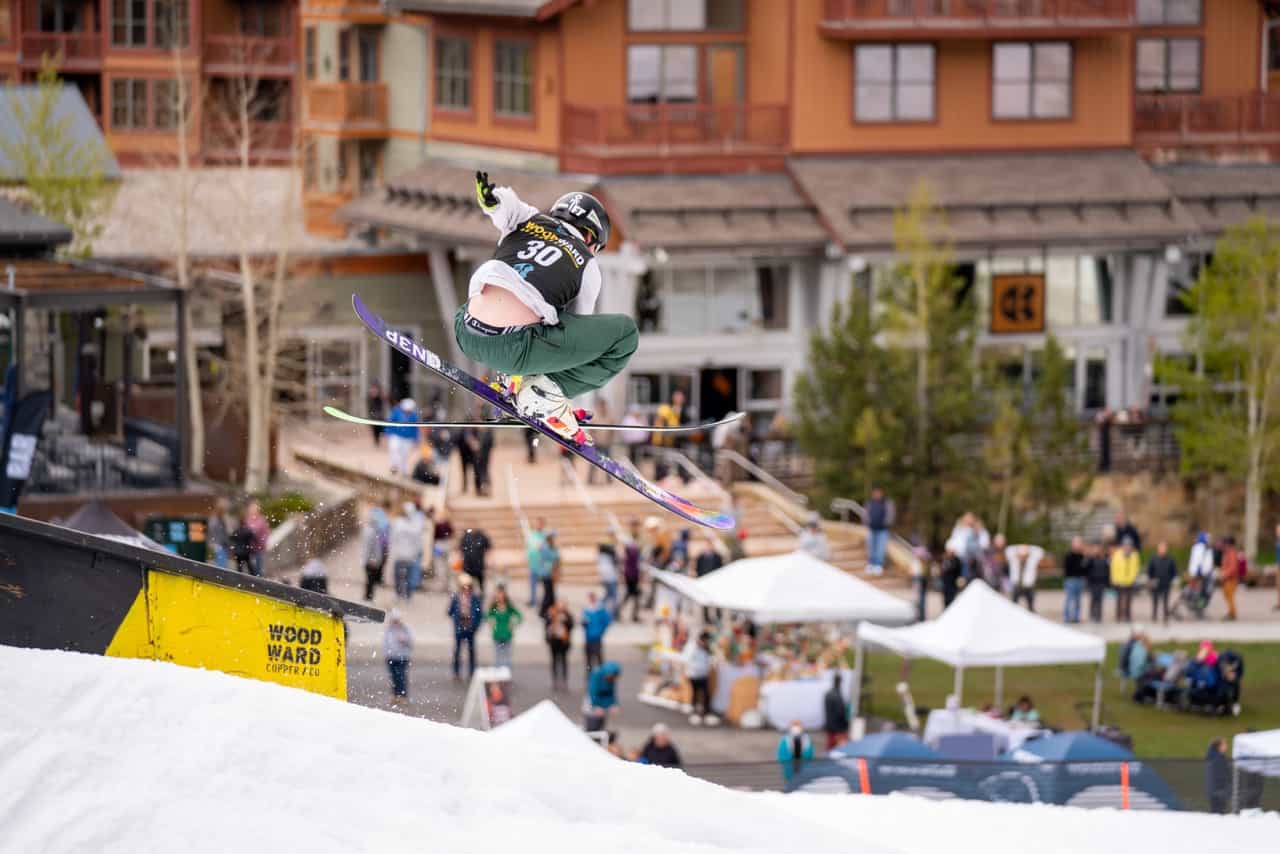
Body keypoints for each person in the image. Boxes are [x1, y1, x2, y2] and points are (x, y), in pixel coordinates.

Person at [456, 173, 631, 445]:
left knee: (518, 301)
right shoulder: (587, 264)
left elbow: (506, 206)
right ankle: (543, 393)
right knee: (625, 335)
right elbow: (573, 340)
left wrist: (492, 200)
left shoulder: (529, 219)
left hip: (465, 331)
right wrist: (559, 393)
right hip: (516, 348)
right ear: (590, 236)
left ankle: (524, 385)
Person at [447, 574, 483, 680]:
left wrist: (475, 625)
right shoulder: (456, 597)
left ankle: (472, 672)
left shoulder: (475, 598)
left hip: (470, 627)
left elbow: (480, 614)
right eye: (464, 587)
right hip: (460, 626)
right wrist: (457, 617)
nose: (466, 589)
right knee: (457, 650)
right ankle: (456, 672)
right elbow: (450, 612)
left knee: (471, 651)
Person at [389, 502, 424, 600]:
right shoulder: (399, 522)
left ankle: (406, 594)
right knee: (400, 576)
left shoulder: (415, 523)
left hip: (409, 556)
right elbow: (393, 538)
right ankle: (400, 594)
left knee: (407, 576)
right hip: (401, 555)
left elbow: (418, 541)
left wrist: (416, 552)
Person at [487, 584, 522, 672]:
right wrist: (491, 622)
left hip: (507, 634)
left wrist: (514, 623)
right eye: (498, 593)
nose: (500, 596)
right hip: (497, 634)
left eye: (501, 593)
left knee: (507, 658)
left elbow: (519, 616)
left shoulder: (509, 606)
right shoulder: (494, 606)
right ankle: (498, 676)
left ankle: (506, 676)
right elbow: (487, 615)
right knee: (497, 658)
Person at [543, 598, 574, 691]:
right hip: (554, 641)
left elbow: (571, 625)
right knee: (554, 661)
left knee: (564, 661)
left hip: (563, 641)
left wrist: (565, 618)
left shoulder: (567, 615)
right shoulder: (551, 614)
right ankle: (555, 680)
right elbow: (546, 625)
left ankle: (564, 680)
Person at [684, 630, 714, 726]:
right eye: (705, 641)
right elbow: (687, 659)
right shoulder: (692, 647)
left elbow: (708, 660)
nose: (705, 643)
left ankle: (706, 713)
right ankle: (695, 713)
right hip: (694, 675)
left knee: (706, 694)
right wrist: (689, 671)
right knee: (696, 693)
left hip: (703, 675)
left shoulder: (706, 649)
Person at [384, 609, 413, 705]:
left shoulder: (405, 629)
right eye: (394, 620)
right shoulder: (389, 630)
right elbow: (386, 643)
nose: (395, 622)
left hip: (402, 657)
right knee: (394, 677)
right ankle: (395, 695)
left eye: (396, 620)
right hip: (391, 657)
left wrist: (404, 640)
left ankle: (403, 696)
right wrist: (386, 654)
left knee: (401, 677)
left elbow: (411, 642)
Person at [385, 398, 421, 476]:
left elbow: (416, 428)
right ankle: (394, 465)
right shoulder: (396, 412)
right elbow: (390, 422)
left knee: (405, 455)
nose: (407, 412)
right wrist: (387, 432)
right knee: (394, 449)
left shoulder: (414, 416)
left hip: (408, 438)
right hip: (396, 435)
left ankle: (404, 470)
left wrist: (417, 439)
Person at [865, 487, 895, 577]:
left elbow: (891, 514)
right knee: (871, 547)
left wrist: (886, 523)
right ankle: (871, 563)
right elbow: (865, 513)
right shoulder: (869, 502)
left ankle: (878, 565)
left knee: (880, 548)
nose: (877, 495)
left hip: (882, 529)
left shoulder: (887, 502)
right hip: (872, 528)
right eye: (875, 493)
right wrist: (867, 522)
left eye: (878, 493)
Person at [1004, 543, 1044, 611]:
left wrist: (1028, 548)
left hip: (1028, 585)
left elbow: (1040, 551)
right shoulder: (1014, 559)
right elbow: (1008, 550)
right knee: (1014, 605)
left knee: (1030, 606)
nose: (1022, 556)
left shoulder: (1032, 560)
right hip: (1016, 585)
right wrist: (1018, 548)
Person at [582, 591, 612, 677]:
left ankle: (602, 675)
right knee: (588, 659)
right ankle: (589, 676)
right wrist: (584, 623)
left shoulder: (600, 609)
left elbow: (607, 621)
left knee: (599, 657)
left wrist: (600, 631)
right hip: (588, 637)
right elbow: (584, 623)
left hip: (597, 637)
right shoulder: (586, 609)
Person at [584, 660, 621, 731]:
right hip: (591, 703)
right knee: (592, 725)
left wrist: (613, 704)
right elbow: (592, 692)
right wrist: (595, 706)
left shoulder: (611, 679)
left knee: (601, 724)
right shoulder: (596, 675)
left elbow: (611, 693)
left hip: (602, 705)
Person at [360, 506, 387, 602]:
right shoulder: (370, 531)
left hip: (372, 559)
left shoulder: (373, 530)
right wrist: (369, 559)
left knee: (370, 580)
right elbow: (368, 547)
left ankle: (368, 597)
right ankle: (368, 597)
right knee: (370, 580)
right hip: (371, 560)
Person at [1147, 541, 1178, 624]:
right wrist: (1150, 580)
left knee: (1165, 601)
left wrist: (1173, 580)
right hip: (1155, 583)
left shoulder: (1170, 559)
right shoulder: (1153, 558)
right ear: (1158, 549)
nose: (1163, 550)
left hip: (1166, 583)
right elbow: (1149, 570)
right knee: (1155, 600)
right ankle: (1154, 616)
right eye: (1161, 548)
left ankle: (1165, 616)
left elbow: (1174, 571)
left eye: (1164, 548)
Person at [619, 520, 644, 623]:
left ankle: (634, 615)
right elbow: (624, 556)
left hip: (636, 571)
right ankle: (619, 612)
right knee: (630, 594)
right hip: (630, 571)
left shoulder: (639, 539)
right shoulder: (628, 540)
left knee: (635, 594)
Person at [1110, 537, 1140, 622]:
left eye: (1129, 545)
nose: (1127, 547)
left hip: (1130, 581)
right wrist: (1114, 579)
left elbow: (1136, 568)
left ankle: (1127, 616)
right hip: (1119, 581)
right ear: (1122, 546)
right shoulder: (1117, 555)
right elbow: (1113, 568)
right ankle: (1118, 616)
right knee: (1119, 599)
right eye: (1125, 545)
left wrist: (1134, 577)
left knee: (1129, 599)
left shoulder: (1135, 555)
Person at [459, 526, 492, 594]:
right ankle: (470, 595)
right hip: (468, 564)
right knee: (468, 582)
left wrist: (489, 559)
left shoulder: (481, 536)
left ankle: (481, 593)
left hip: (478, 563)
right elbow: (460, 550)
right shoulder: (465, 537)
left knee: (480, 581)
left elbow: (488, 548)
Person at [1062, 536, 1088, 624]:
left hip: (1080, 580)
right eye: (1076, 543)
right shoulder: (1069, 555)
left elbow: (1085, 568)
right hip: (1071, 580)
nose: (1078, 545)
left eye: (1079, 543)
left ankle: (1076, 617)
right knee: (1069, 599)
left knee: (1078, 600)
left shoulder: (1082, 556)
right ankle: (1067, 617)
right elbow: (1069, 568)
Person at [823, 672, 850, 752]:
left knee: (830, 746)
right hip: (838, 727)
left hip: (830, 725)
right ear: (840, 682)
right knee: (839, 748)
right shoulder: (838, 695)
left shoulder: (828, 694)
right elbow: (840, 713)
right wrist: (846, 724)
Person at [524, 516, 547, 608]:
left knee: (543, 584)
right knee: (532, 583)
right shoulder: (531, 534)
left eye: (540, 523)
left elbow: (544, 547)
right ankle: (533, 599)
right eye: (537, 523)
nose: (538, 525)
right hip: (533, 562)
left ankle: (543, 601)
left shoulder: (545, 535)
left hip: (542, 563)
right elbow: (529, 546)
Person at [1205, 737, 1232, 814]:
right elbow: (1220, 776)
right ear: (1219, 746)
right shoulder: (1217, 759)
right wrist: (1225, 789)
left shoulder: (1215, 757)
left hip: (1217, 792)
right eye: (1224, 744)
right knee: (1218, 813)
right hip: (1218, 793)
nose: (1226, 746)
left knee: (1217, 813)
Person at [539, 532, 562, 617]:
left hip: (551, 574)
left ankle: (551, 611)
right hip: (547, 574)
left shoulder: (552, 548)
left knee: (551, 595)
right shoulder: (546, 548)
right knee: (548, 594)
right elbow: (554, 559)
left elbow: (557, 559)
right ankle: (543, 611)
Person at [1087, 541, 1111, 623]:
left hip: (1101, 582)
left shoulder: (1105, 559)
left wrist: (1108, 583)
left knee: (1100, 600)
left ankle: (1098, 616)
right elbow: (1087, 569)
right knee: (1094, 600)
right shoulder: (1091, 559)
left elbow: (1107, 571)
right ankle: (1092, 615)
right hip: (1093, 582)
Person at [245, 501, 270, 578]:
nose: (252, 510)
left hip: (259, 548)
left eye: (254, 509)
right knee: (251, 570)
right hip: (249, 549)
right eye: (251, 509)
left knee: (259, 570)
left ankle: (258, 582)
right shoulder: (247, 520)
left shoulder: (261, 520)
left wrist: (262, 543)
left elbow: (265, 533)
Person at [1220, 536, 1242, 621]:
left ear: (1229, 544)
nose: (1223, 546)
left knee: (1230, 596)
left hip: (1231, 579)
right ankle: (1230, 612)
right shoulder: (1228, 552)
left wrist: (1225, 574)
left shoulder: (1232, 553)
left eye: (1225, 544)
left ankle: (1232, 614)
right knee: (1227, 596)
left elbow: (1233, 567)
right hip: (1227, 579)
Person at [597, 536, 619, 615]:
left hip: (606, 578)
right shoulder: (607, 557)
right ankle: (615, 612)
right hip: (611, 578)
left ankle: (599, 607)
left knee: (608, 595)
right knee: (614, 596)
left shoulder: (601, 557)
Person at [207, 498, 230, 570]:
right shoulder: (215, 520)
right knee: (222, 566)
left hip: (220, 544)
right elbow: (216, 533)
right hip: (218, 545)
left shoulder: (219, 519)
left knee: (222, 565)